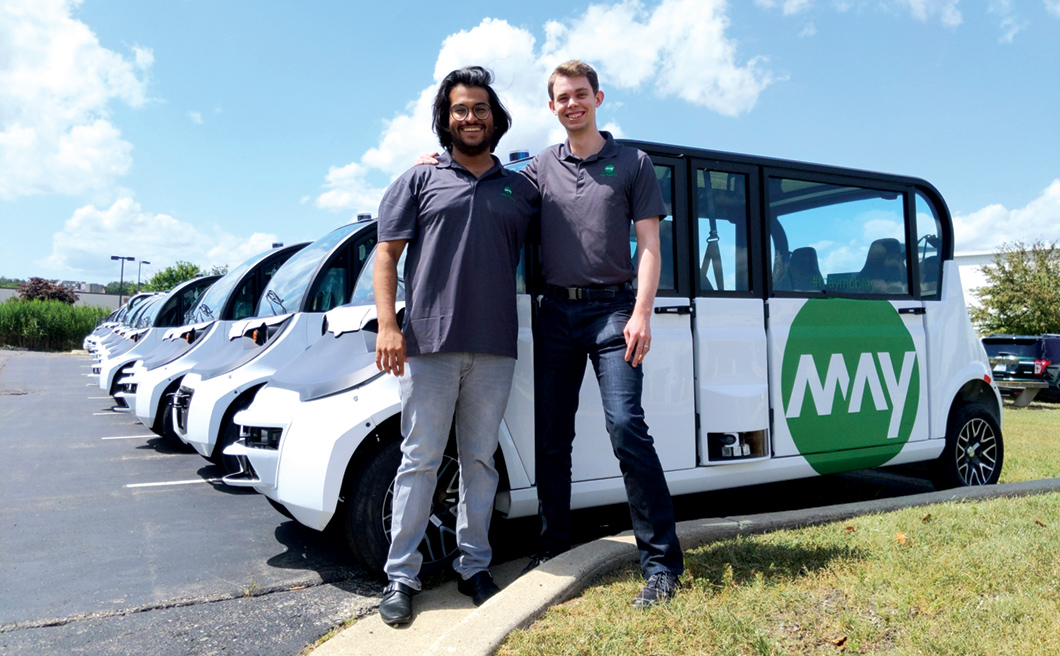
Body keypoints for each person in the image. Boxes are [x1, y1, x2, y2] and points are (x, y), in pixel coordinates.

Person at [373, 65, 538, 627]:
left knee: (479, 464)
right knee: (418, 461)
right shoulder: (417, 180)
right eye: (460, 109)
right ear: (446, 119)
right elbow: (387, 257)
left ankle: (475, 567)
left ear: (497, 118)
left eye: (480, 109)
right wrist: (388, 326)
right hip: (429, 345)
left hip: (495, 347)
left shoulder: (521, 187)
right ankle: (401, 577)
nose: (471, 117)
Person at [522, 60, 684, 608]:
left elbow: (650, 247)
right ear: (552, 106)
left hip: (615, 311)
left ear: (599, 97)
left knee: (625, 427)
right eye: (562, 97)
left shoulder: (632, 163)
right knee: (551, 438)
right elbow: (486, 189)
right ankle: (554, 551)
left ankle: (662, 566)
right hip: (555, 314)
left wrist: (641, 313)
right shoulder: (540, 166)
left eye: (580, 94)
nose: (572, 104)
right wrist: (441, 161)